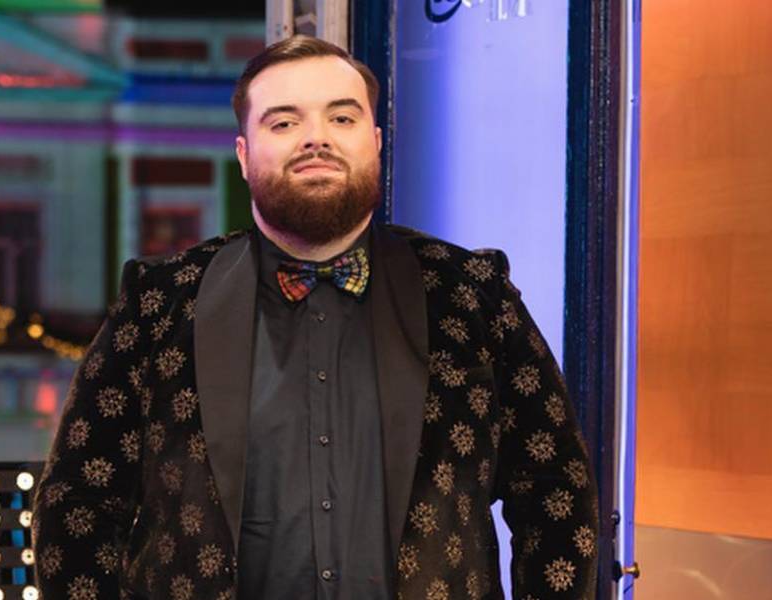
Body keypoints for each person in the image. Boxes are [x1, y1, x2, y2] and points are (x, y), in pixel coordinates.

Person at [32, 35, 599, 600]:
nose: (316, 138)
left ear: (375, 142)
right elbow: (77, 507)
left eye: (342, 118)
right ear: (243, 154)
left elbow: (555, 491)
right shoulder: (158, 304)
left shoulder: (472, 294)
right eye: (284, 123)